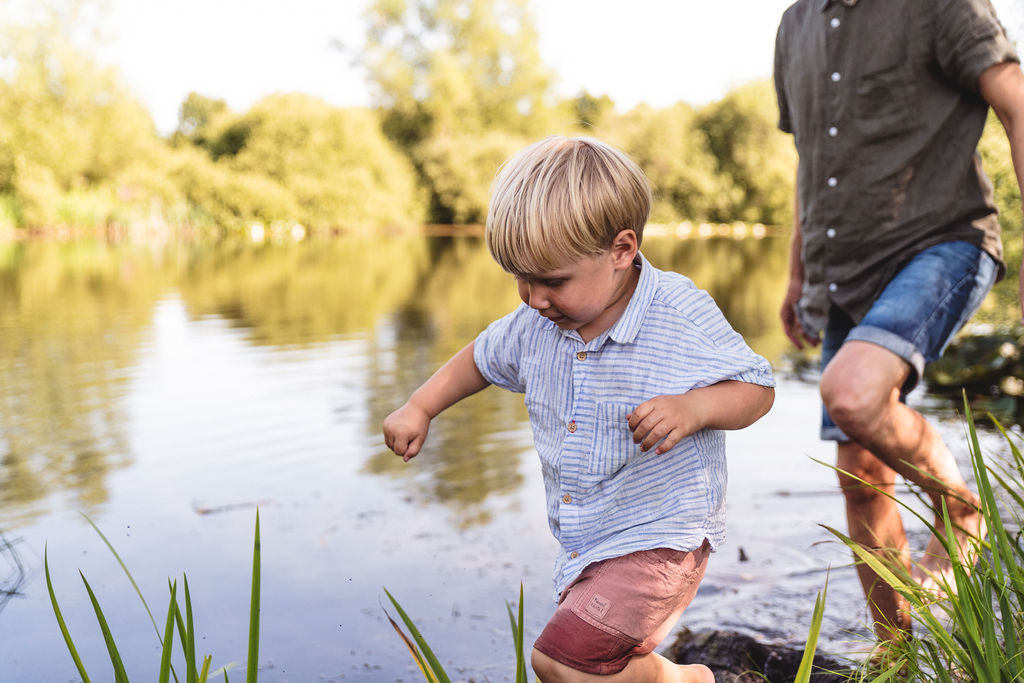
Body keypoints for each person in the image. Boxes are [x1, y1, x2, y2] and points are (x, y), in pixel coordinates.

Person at [383, 136, 775, 682]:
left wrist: (696, 407)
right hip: (589, 538)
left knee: (561, 660)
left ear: (621, 250)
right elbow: (481, 357)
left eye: (552, 281)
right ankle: (690, 681)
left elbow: (758, 388)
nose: (533, 298)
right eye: (519, 277)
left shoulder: (676, 313)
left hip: (662, 536)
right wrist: (419, 407)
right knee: (600, 666)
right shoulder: (536, 325)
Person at [774, 0, 1024, 643]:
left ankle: (961, 507)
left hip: (941, 243)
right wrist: (799, 275)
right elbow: (812, 159)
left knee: (854, 395)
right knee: (859, 476)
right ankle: (899, 652)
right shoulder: (794, 25)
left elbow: (1017, 101)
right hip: (845, 272)